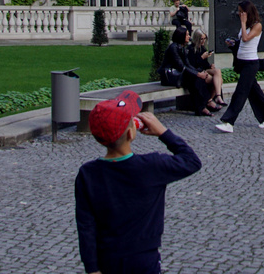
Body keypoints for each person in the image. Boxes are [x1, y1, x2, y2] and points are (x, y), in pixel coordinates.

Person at [76, 91, 201, 274]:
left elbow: (85, 225)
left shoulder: (88, 174)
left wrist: (92, 268)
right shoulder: (151, 166)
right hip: (144, 259)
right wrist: (163, 132)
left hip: (107, 259)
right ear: (131, 133)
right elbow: (192, 161)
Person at [211, 0, 264, 133]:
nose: (239, 14)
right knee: (255, 93)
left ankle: (229, 121)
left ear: (247, 12)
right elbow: (243, 42)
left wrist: (242, 22)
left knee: (240, 92)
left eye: (241, 12)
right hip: (244, 62)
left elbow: (246, 39)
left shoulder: (257, 25)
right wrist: (233, 43)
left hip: (251, 64)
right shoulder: (247, 25)